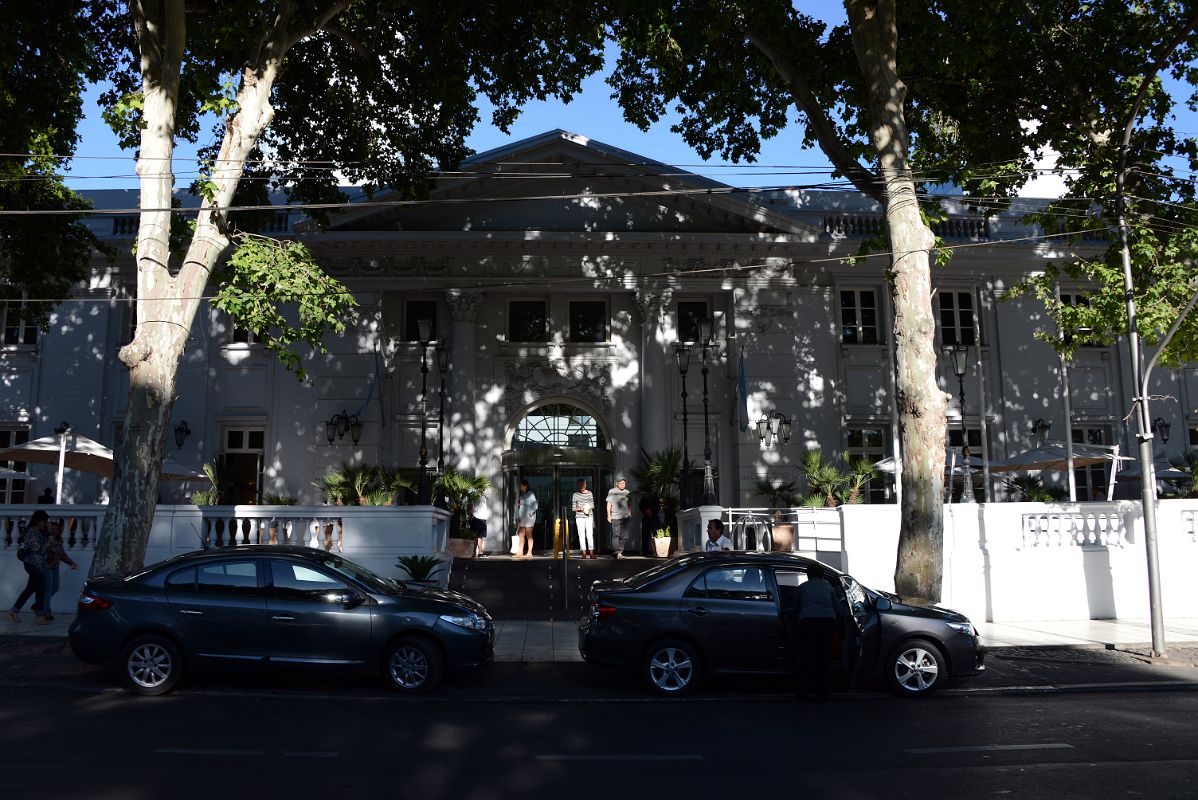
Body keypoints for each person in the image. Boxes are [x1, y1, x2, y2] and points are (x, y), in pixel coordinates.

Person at [793, 563, 839, 704]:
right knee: (822, 660)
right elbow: (838, 608)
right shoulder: (829, 587)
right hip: (827, 622)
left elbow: (796, 608)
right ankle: (823, 697)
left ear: (808, 575)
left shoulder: (803, 587)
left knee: (806, 660)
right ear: (822, 574)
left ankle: (802, 697)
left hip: (807, 622)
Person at [7, 509, 51, 625]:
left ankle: (14, 610)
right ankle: (39, 614)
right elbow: (37, 549)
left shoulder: (39, 532)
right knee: (41, 586)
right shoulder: (32, 532)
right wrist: (47, 545)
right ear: (38, 520)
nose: (45, 524)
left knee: (31, 588)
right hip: (32, 563)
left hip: (37, 565)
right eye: (44, 521)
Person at [36, 519, 77, 620]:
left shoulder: (58, 541)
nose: (54, 531)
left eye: (56, 529)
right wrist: (49, 542)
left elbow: (62, 555)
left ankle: (40, 605)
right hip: (46, 567)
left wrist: (71, 563)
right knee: (48, 590)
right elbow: (41, 551)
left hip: (55, 568)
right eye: (52, 529)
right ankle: (46, 611)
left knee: (55, 588)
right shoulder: (45, 539)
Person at [606, 476, 632, 559]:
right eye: (620, 483)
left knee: (624, 535)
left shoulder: (627, 492)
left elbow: (629, 504)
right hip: (615, 517)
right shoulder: (612, 491)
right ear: (617, 483)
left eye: (624, 483)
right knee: (616, 535)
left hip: (625, 517)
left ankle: (620, 552)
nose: (622, 484)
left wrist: (630, 513)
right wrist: (609, 515)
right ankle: (616, 552)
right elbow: (608, 504)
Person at [572, 478, 596, 559]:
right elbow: (573, 508)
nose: (582, 486)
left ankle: (591, 552)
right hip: (579, 517)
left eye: (583, 484)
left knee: (589, 534)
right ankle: (584, 552)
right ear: (578, 485)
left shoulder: (590, 493)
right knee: (581, 534)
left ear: (585, 485)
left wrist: (585, 507)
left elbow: (592, 505)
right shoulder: (575, 494)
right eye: (580, 484)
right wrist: (579, 509)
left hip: (589, 516)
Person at [515, 478, 538, 559]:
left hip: (529, 518)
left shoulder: (531, 494)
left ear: (525, 486)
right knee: (521, 535)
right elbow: (520, 506)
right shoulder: (522, 495)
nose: (520, 487)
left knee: (529, 535)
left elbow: (535, 505)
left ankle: (529, 552)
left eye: (521, 486)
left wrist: (530, 513)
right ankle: (520, 551)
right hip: (522, 518)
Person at [469, 492, 489, 558]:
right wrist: (471, 514)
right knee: (474, 535)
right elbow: (471, 505)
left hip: (483, 518)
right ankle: (472, 552)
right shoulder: (473, 495)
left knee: (480, 536)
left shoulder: (483, 497)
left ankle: (480, 553)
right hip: (476, 517)